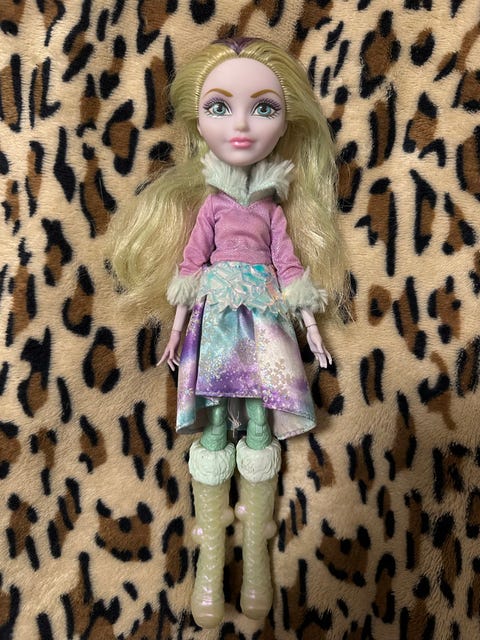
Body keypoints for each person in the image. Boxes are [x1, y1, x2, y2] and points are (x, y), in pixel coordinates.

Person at [108, 37, 347, 628]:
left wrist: (311, 327)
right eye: (220, 107)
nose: (240, 125)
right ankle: (210, 567)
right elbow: (191, 266)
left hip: (264, 324)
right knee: (214, 431)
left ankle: (257, 563)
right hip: (215, 324)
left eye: (263, 108)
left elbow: (290, 267)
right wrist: (176, 330)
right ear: (198, 120)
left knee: (260, 426)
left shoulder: (272, 209)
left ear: (286, 121)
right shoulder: (211, 206)